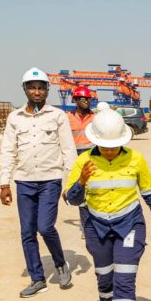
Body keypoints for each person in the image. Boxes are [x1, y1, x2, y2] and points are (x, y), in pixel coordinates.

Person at [65, 107, 151, 301]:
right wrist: (81, 182)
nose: (110, 151)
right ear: (95, 141)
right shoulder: (83, 162)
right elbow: (72, 199)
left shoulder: (136, 159)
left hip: (129, 224)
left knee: (124, 280)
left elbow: (150, 191)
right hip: (95, 226)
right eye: (105, 146)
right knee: (105, 277)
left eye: (115, 145)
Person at [0, 68, 77, 298]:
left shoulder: (57, 116)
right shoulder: (15, 118)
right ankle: (37, 278)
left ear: (47, 90)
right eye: (32, 87)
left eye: (41, 87)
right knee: (27, 231)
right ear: (25, 89)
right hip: (24, 181)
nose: (36, 91)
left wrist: (70, 182)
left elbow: (68, 149)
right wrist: (4, 183)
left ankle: (60, 263)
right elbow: (7, 150)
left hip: (50, 180)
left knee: (45, 227)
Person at [66, 86, 96, 239]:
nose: (86, 101)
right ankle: (86, 227)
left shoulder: (95, 118)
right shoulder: (67, 118)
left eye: (88, 99)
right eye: (83, 99)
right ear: (75, 100)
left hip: (92, 157)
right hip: (74, 159)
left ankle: (93, 224)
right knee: (80, 193)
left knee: (92, 192)